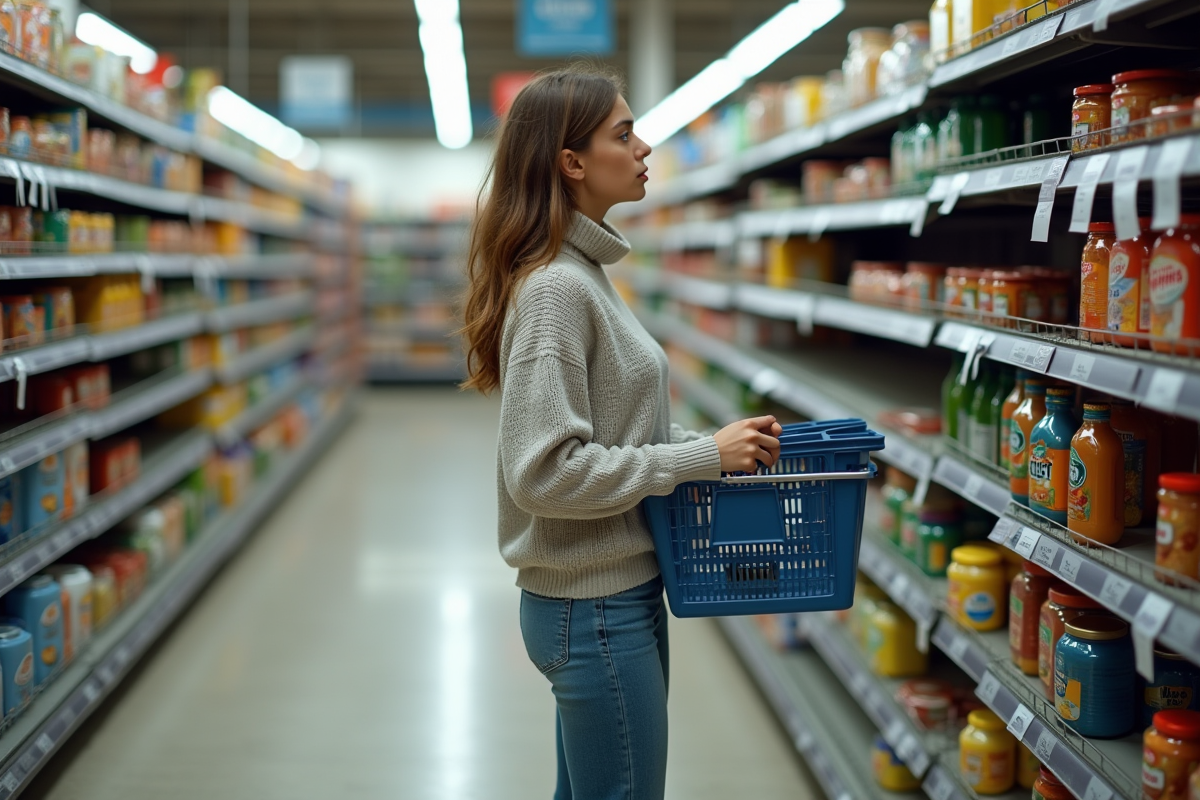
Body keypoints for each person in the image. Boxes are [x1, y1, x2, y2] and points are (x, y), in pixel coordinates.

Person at [460, 66, 783, 800]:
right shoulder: (556, 290)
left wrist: (715, 443)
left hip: (604, 599)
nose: (644, 149)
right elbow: (542, 473)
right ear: (571, 163)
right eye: (624, 134)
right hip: (593, 607)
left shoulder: (582, 272)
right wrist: (699, 457)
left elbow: (612, 423)